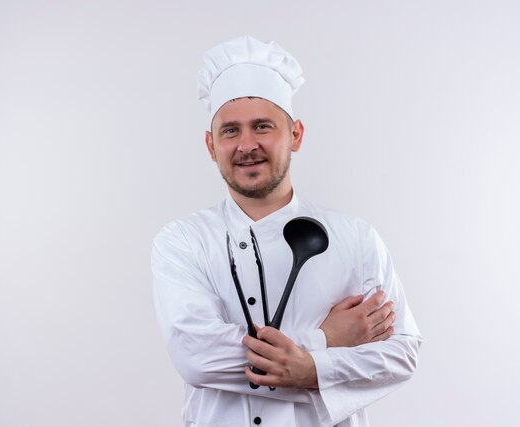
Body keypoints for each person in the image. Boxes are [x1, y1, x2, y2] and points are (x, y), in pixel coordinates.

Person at [152, 36, 422, 427]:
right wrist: (324, 343)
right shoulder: (183, 241)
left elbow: (401, 353)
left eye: (263, 126)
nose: (247, 145)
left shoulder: (355, 237)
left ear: (295, 134)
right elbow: (196, 356)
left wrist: (309, 368)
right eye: (230, 131)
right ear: (211, 146)